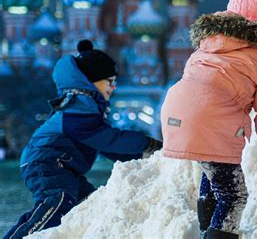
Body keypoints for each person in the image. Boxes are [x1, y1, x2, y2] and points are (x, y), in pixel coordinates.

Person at [161, 0, 257, 238]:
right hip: (213, 120)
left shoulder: (207, 44)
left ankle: (205, 229)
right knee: (234, 195)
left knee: (213, 175)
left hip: (176, 116)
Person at [4, 40, 162, 239]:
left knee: (91, 204)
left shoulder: (86, 105)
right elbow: (106, 139)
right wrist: (146, 144)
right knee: (58, 202)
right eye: (109, 81)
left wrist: (141, 156)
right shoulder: (78, 105)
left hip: (65, 167)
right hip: (46, 162)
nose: (113, 87)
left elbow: (104, 144)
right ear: (92, 80)